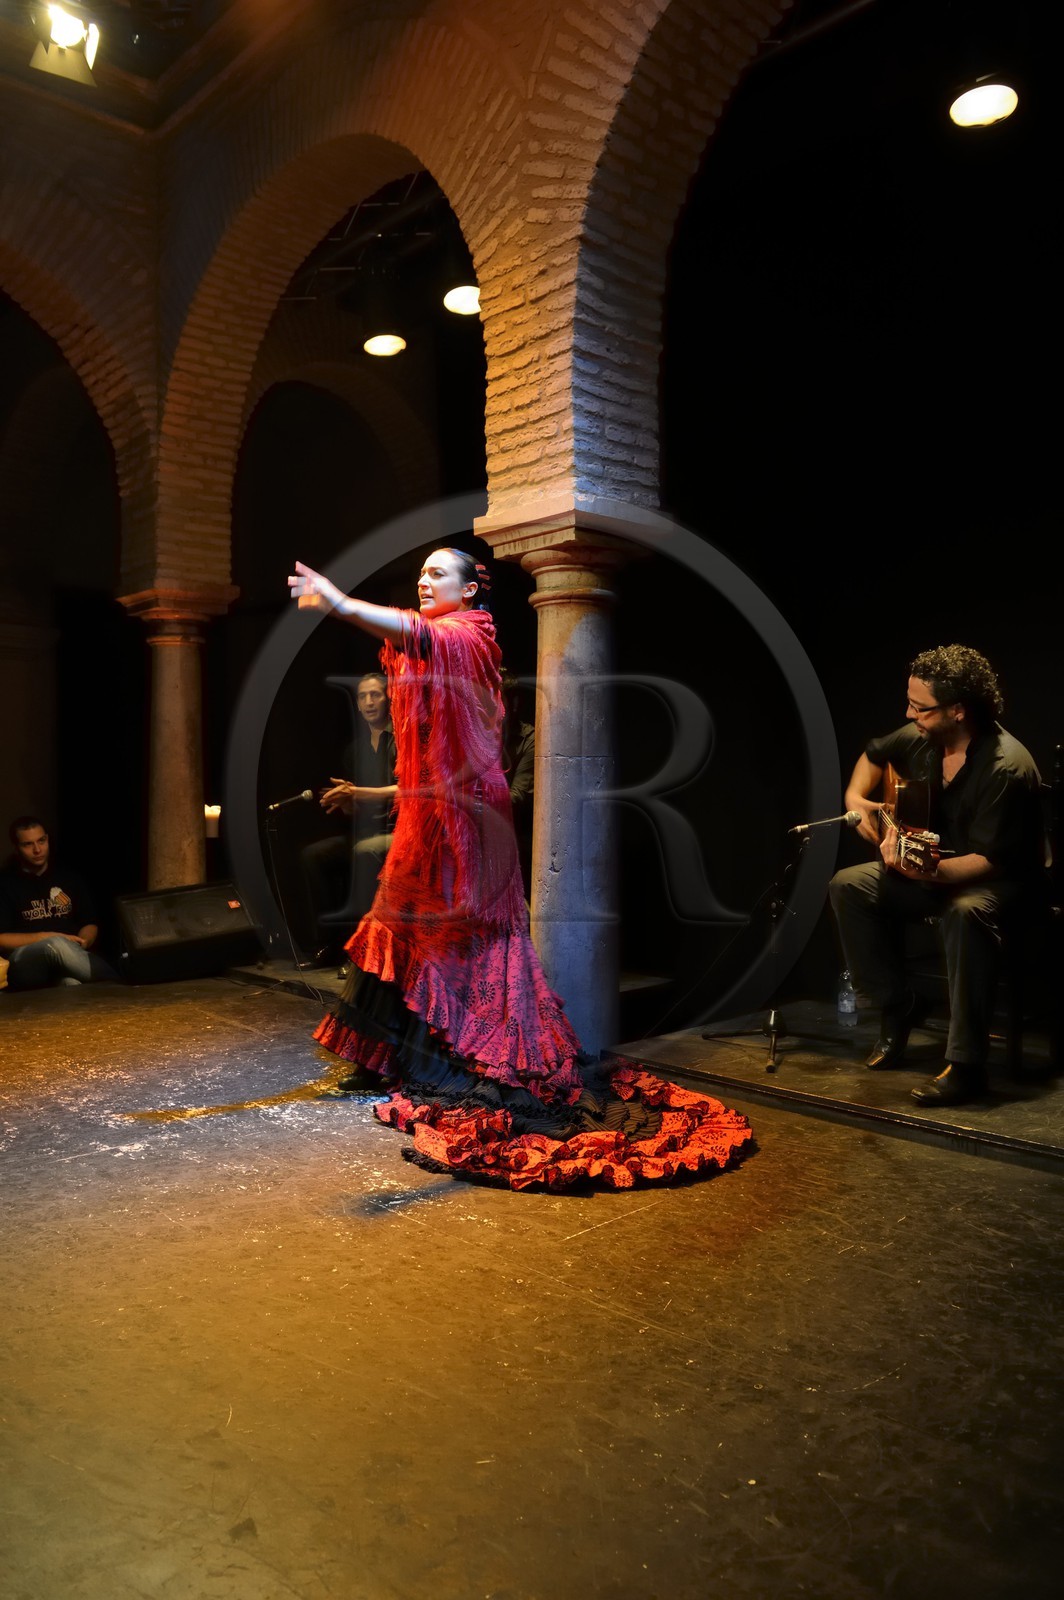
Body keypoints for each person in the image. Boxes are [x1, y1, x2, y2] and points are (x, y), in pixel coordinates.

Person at [287, 546, 753, 1190]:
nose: (424, 583)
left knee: (464, 939)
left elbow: (418, 633)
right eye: (419, 574)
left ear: (471, 591)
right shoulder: (434, 641)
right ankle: (381, 1057)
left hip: (469, 820)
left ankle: (463, 1067)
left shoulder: (472, 638)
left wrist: (339, 603)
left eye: (437, 574)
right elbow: (411, 645)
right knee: (397, 921)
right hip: (430, 809)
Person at [829, 645, 1046, 1107]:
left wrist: (919, 868)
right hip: (939, 870)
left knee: (964, 914)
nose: (909, 714)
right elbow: (873, 754)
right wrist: (855, 799)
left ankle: (967, 1065)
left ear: (958, 710)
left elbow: (989, 862)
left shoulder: (1005, 766)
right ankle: (898, 1004)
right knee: (849, 886)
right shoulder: (923, 736)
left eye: (920, 707)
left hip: (999, 885)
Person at [297, 671, 398, 967]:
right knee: (313, 856)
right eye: (363, 697)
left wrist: (358, 793)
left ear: (388, 697)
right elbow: (357, 808)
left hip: (399, 829)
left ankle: (365, 950)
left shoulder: (403, 740)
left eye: (375, 695)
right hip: (365, 830)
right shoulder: (355, 750)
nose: (369, 702)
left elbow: (407, 790)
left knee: (362, 853)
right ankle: (330, 944)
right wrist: (345, 802)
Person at [0, 817, 117, 991]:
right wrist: (49, 937)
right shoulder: (5, 884)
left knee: (70, 984)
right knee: (54, 945)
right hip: (25, 962)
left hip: (68, 957)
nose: (37, 849)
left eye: (41, 841)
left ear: (48, 839)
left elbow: (89, 923)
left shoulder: (69, 877)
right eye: (28, 844)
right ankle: (121, 984)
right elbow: (1, 939)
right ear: (16, 848)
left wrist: (83, 941)